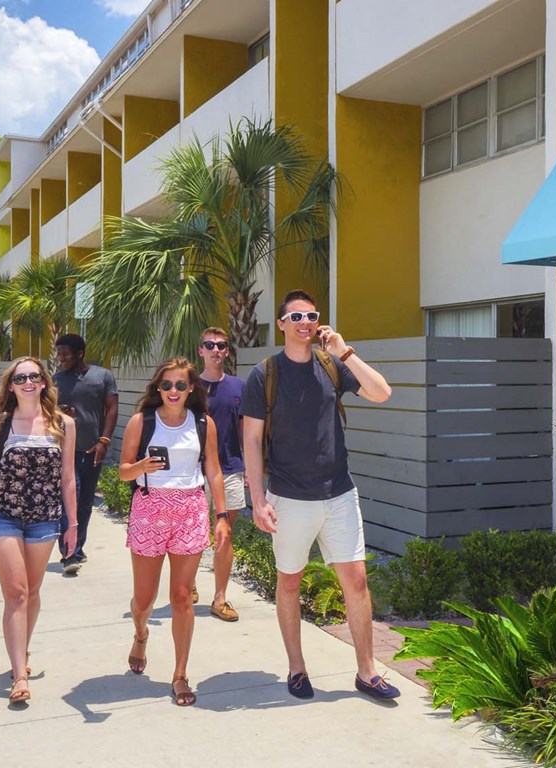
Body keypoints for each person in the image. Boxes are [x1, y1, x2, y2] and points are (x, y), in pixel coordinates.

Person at [242, 290, 401, 701]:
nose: (304, 322)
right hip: (289, 497)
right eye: (295, 316)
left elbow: (382, 392)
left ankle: (366, 672)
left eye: (311, 315)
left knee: (357, 581)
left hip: (339, 494)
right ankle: (297, 669)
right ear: (281, 324)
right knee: (290, 582)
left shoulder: (332, 365)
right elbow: (252, 441)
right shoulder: (265, 375)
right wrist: (258, 500)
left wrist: (344, 351)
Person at [118, 357, 229, 706]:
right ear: (158, 388)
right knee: (145, 599)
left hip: (190, 509)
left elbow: (213, 470)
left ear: (191, 388)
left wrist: (222, 514)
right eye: (166, 385)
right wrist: (140, 466)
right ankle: (140, 633)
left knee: (182, 596)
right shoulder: (142, 421)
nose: (173, 391)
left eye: (180, 385)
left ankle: (180, 674)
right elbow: (123, 471)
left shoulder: (203, 423)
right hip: (150, 509)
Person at [0, 357, 77, 703]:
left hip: (45, 518)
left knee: (31, 592)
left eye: (35, 376)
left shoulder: (63, 424)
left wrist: (72, 524)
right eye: (21, 378)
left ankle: (23, 651)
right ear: (11, 385)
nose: (28, 382)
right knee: (16, 593)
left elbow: (67, 479)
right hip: (4, 515)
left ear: (44, 382)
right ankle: (19, 676)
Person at [53, 333, 118, 574]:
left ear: (80, 353)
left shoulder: (103, 376)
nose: (61, 358)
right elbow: (48, 411)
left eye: (65, 354)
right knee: (70, 500)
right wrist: (58, 411)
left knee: (86, 503)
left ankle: (77, 547)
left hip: (93, 451)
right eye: (59, 354)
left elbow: (112, 409)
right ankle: (69, 554)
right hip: (65, 451)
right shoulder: (56, 380)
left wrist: (104, 441)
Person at [195, 326, 246, 621]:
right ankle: (187, 584)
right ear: (200, 350)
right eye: (209, 345)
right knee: (194, 533)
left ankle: (220, 598)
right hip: (194, 473)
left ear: (227, 351)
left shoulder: (238, 387)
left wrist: (249, 469)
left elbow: (244, 429)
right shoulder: (187, 387)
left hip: (230, 470)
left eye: (221, 345)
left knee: (225, 534)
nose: (216, 350)